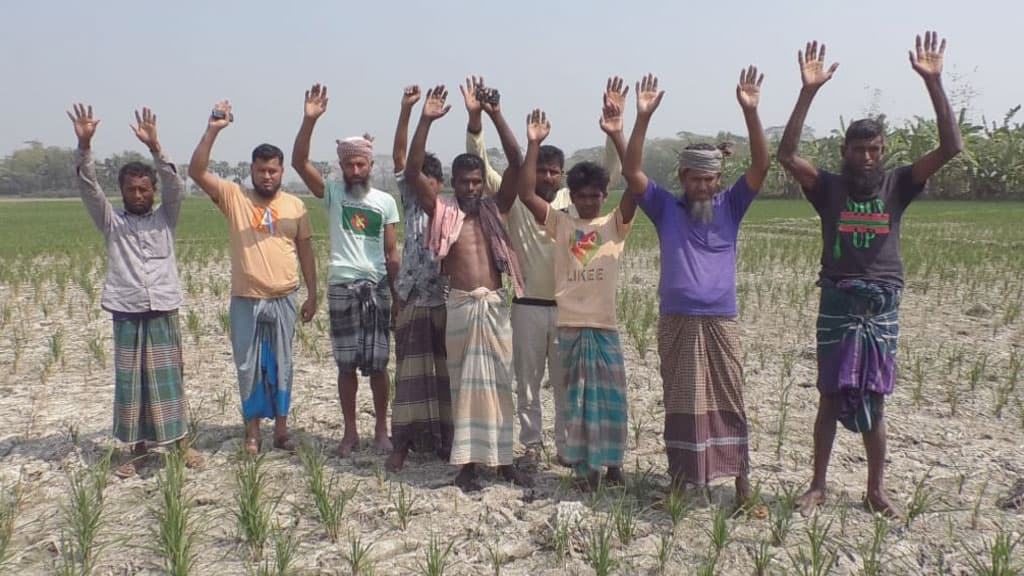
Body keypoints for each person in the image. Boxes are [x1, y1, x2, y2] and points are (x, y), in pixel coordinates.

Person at [777, 32, 962, 517]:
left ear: (882, 151)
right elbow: (787, 155)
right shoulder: (829, 187)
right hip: (838, 300)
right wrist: (808, 91)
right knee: (829, 394)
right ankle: (817, 484)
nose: (866, 157)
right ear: (845, 150)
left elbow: (950, 147)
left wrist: (935, 82)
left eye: (874, 149)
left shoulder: (898, 184)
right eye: (858, 149)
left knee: (876, 398)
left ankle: (875, 489)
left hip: (882, 302)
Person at [621, 69, 770, 505]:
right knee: (681, 403)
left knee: (729, 399)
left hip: (721, 321)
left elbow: (761, 165)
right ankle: (680, 481)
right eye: (695, 179)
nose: (703, 187)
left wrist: (751, 111)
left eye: (710, 179)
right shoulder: (665, 207)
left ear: (717, 180)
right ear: (683, 177)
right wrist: (642, 116)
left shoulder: (732, 205)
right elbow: (632, 170)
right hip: (678, 320)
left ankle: (741, 485)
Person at [465, 76, 627, 467]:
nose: (548, 178)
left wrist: (615, 126)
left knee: (569, 385)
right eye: (543, 172)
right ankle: (532, 444)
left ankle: (565, 446)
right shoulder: (520, 199)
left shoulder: (576, 202)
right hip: (526, 306)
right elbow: (484, 166)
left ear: (563, 175)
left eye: (555, 172)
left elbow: (613, 171)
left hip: (570, 312)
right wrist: (478, 121)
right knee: (527, 383)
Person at [405, 85, 531, 491]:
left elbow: (516, 161)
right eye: (465, 182)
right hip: (459, 307)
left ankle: (505, 460)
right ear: (453, 184)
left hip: (494, 307)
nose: (472, 188)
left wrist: (495, 115)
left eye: (477, 181)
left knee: (498, 386)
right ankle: (467, 465)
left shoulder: (498, 208)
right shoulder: (443, 212)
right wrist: (424, 119)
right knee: (463, 388)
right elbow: (411, 172)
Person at [69, 104, 203, 477]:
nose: (139, 194)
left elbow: (177, 185)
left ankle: (179, 444)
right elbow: (86, 185)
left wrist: (156, 147)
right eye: (132, 189)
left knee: (169, 380)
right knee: (132, 383)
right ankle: (136, 450)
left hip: (162, 307)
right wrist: (84, 144)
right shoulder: (111, 221)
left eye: (145, 189)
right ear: (123, 192)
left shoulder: (165, 217)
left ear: (152, 190)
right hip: (127, 309)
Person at [188, 100, 318, 454]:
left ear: (281, 172)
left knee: (282, 363)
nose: (267, 177)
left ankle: (282, 431)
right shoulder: (234, 197)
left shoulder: (295, 205)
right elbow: (197, 171)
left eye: (273, 171)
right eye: (261, 171)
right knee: (248, 364)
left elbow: (306, 250)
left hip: (285, 296)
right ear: (252, 170)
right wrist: (213, 129)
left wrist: (312, 293)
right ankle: (252, 433)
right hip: (246, 298)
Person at [517, 104, 634, 490]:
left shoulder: (614, 224)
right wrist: (533, 144)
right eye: (582, 195)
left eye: (596, 195)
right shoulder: (561, 223)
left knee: (613, 402)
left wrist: (619, 133)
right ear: (574, 196)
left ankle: (614, 464)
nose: (589, 202)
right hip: (570, 326)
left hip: (604, 327)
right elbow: (525, 192)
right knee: (579, 405)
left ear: (604, 196)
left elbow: (635, 182)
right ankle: (586, 469)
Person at [291, 84, 400, 456]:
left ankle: (381, 431)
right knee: (346, 365)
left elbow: (390, 251)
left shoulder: (385, 202)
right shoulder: (334, 193)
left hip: (376, 288)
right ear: (342, 167)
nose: (355, 170)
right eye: (349, 164)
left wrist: (396, 295)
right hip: (341, 286)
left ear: (370, 166)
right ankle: (350, 432)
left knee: (380, 365)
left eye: (361, 164)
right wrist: (309, 121)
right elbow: (299, 163)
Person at [386, 85, 454, 472]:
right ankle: (404, 443)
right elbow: (401, 158)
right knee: (409, 375)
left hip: (445, 300)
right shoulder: (411, 201)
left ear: (441, 184)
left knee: (445, 373)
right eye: (421, 180)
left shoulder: (453, 210)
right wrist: (409, 112)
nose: (427, 186)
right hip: (412, 297)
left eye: (434, 180)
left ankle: (444, 440)